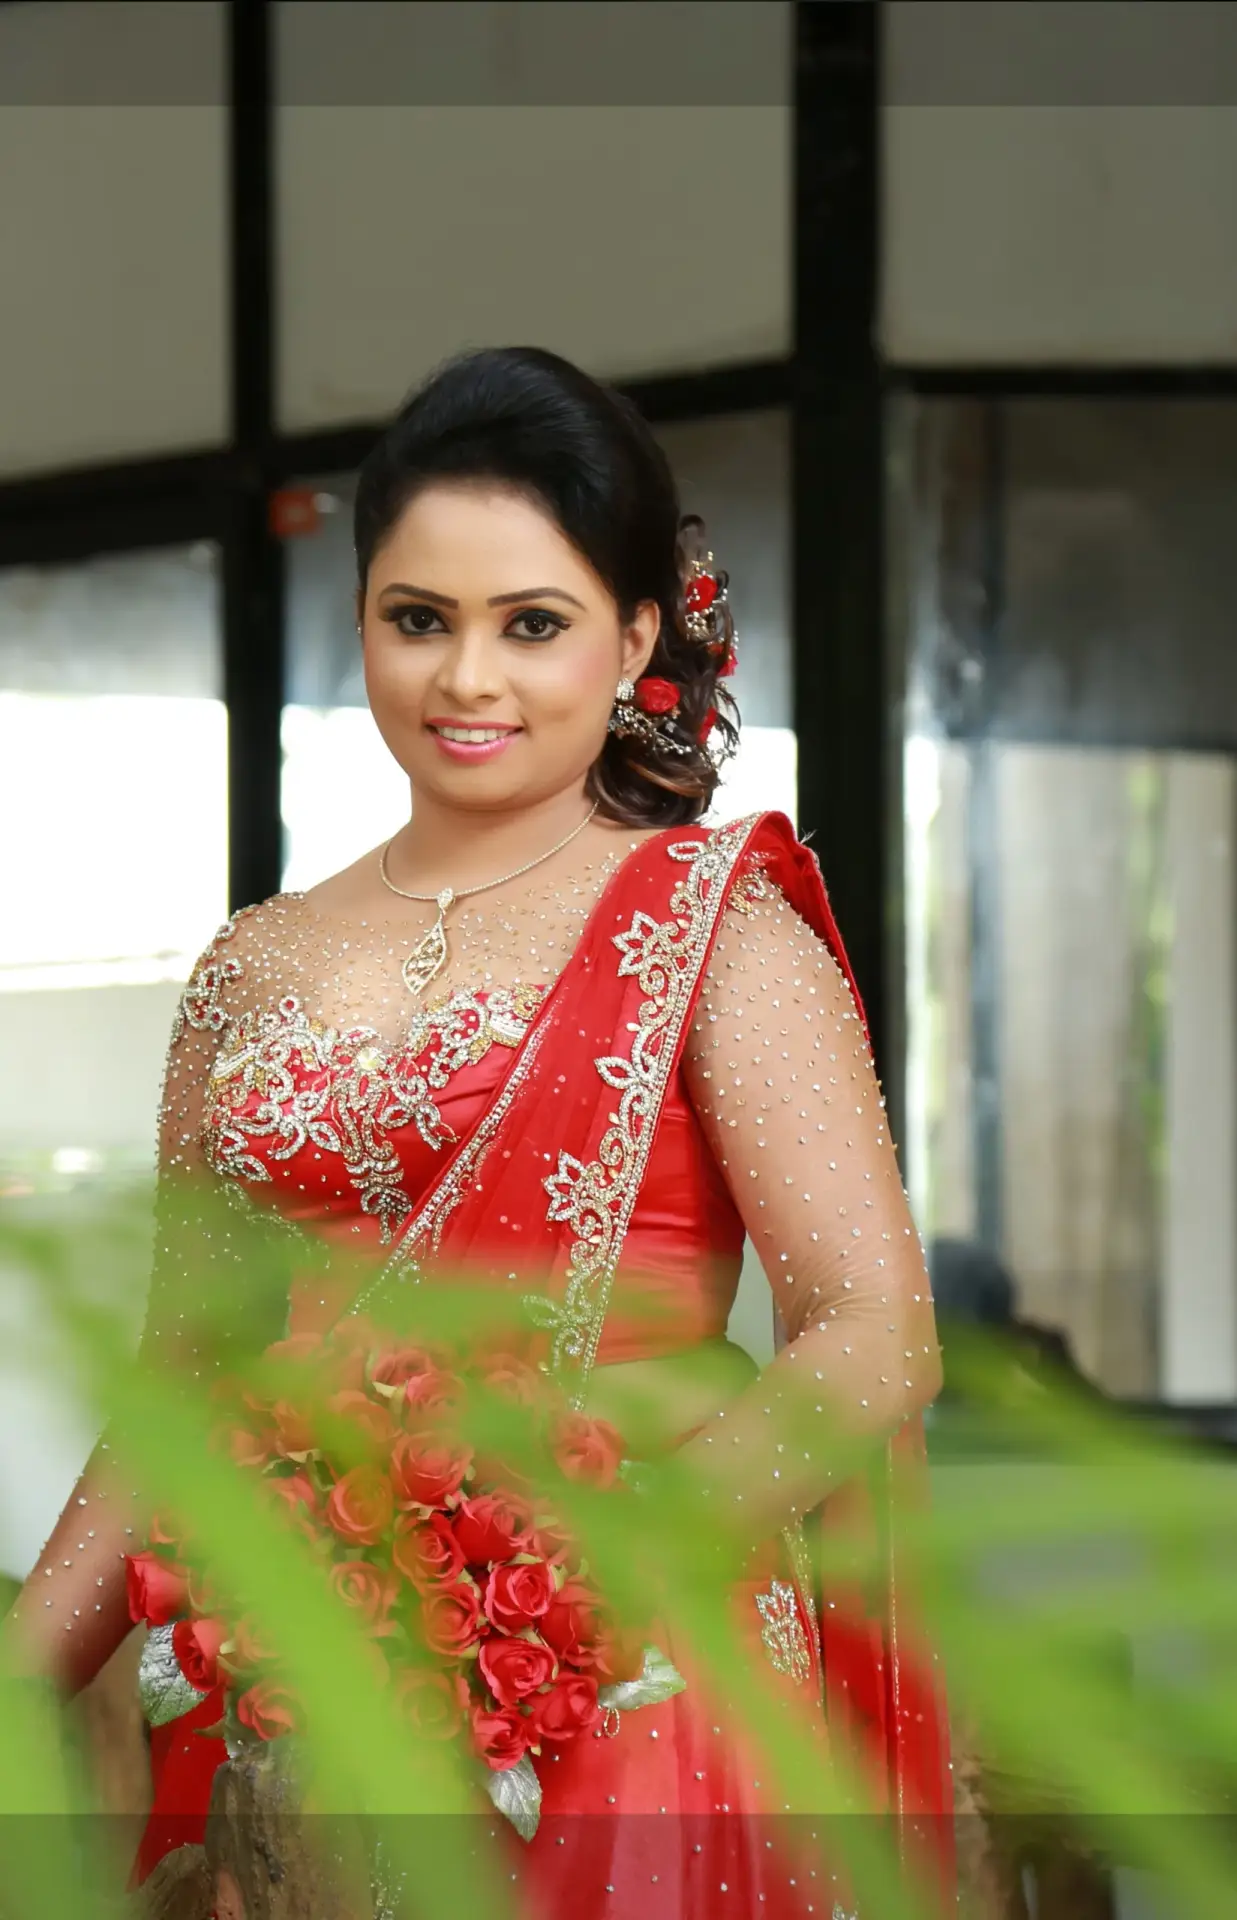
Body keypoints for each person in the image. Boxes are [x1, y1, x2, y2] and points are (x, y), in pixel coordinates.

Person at [4, 346, 952, 1917]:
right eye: (418, 620)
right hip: (297, 1690)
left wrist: (590, 1571)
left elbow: (874, 1335)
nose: (467, 682)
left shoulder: (717, 928)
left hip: (627, 1693)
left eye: (534, 625)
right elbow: (184, 1379)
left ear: (638, 634)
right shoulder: (255, 964)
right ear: (363, 614)